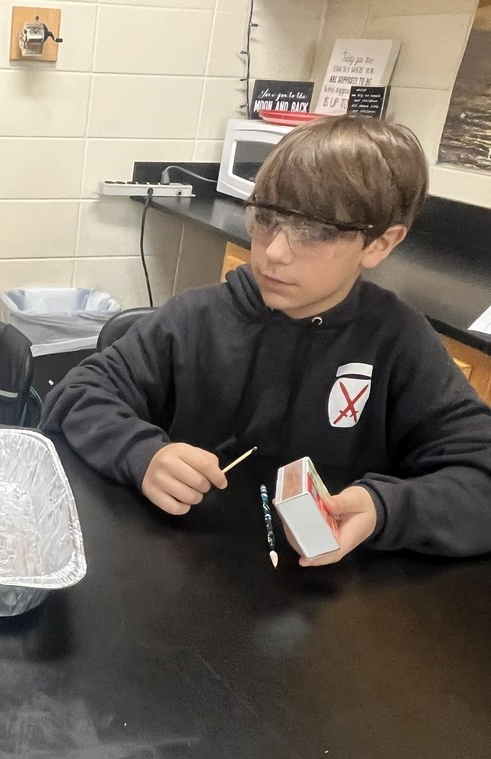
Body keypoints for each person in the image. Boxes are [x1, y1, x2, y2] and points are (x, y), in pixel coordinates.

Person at [40, 115, 491, 567]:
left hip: (333, 606)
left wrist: (383, 509)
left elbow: (479, 477)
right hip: (183, 573)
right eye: (267, 219)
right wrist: (143, 454)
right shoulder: (195, 320)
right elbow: (77, 395)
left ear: (379, 243)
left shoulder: (399, 343)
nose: (274, 251)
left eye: (316, 231)